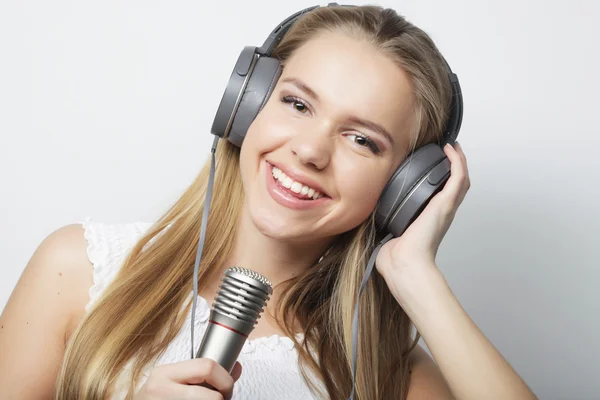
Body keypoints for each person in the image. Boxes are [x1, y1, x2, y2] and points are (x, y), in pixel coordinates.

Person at [0, 4, 537, 400]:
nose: (309, 150)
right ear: (245, 104)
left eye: (362, 140)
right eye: (298, 103)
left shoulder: (387, 373)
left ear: (404, 187)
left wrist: (414, 272)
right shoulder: (78, 268)